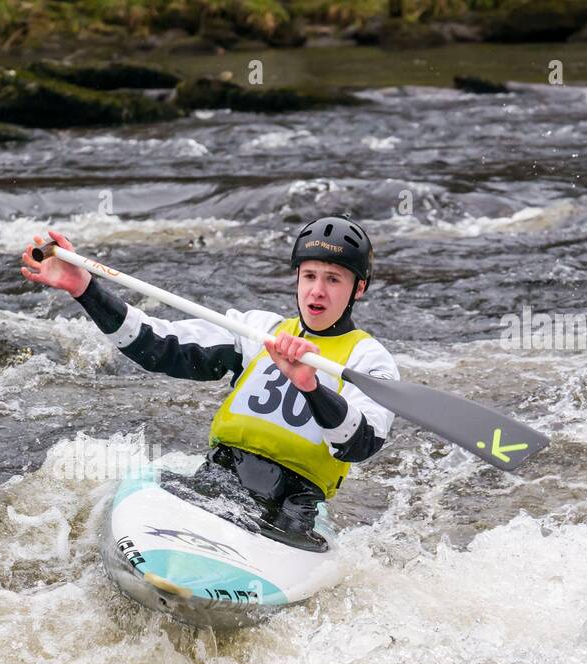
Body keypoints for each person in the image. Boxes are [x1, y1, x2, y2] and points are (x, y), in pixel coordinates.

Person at [20, 215, 399, 544]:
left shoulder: (369, 360)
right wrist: (86, 290)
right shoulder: (257, 330)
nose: (317, 290)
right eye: (310, 276)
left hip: (291, 506)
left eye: (333, 279)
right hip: (220, 476)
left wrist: (310, 385)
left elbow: (360, 444)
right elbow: (157, 346)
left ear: (358, 289)